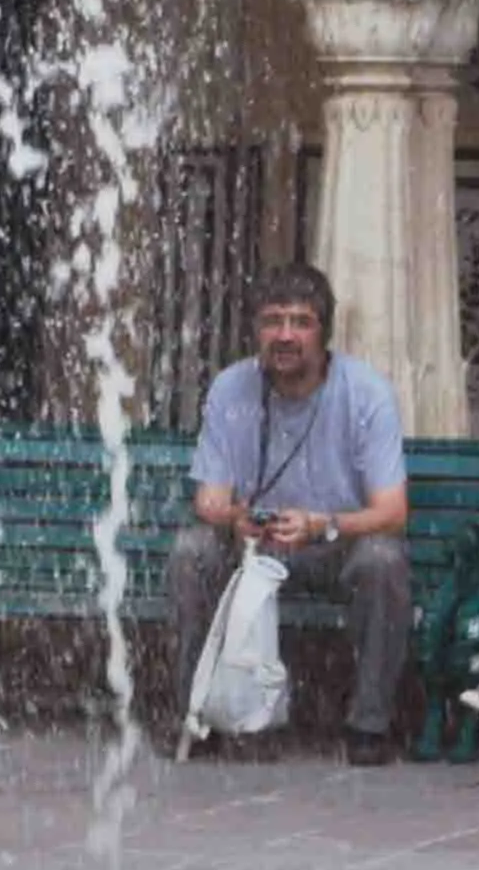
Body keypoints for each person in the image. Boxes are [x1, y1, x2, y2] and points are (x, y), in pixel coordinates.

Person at [162, 264, 413, 763]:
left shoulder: (366, 393)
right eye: (273, 321)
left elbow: (392, 511)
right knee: (191, 551)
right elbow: (208, 499)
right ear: (256, 329)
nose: (285, 335)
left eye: (300, 322)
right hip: (254, 549)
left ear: (324, 333)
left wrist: (324, 524)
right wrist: (236, 517)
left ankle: (369, 725)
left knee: (383, 560)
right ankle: (195, 714)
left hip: (333, 547)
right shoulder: (232, 387)